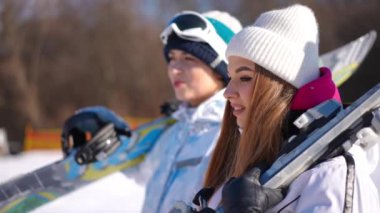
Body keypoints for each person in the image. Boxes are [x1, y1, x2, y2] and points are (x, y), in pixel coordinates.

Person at [188, 4, 379, 212]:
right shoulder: (245, 170)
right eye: (231, 77)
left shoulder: (332, 176)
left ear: (281, 86)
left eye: (244, 78)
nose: (228, 92)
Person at [120, 10, 242, 213]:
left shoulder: (232, 134)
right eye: (171, 57)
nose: (174, 68)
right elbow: (143, 171)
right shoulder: (174, 131)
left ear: (222, 68)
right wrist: (112, 142)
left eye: (188, 58)